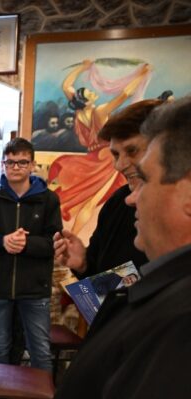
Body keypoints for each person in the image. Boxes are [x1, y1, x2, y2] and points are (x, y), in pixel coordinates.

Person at [18, 95, 191, 399]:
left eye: (135, 155)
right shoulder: (118, 206)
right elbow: (112, 281)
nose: (123, 166)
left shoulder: (177, 324)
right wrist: (84, 264)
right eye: (115, 154)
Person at [0, 137, 62, 372]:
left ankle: (42, 395)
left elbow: (53, 243)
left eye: (22, 162)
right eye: (10, 162)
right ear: (3, 165)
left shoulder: (49, 200)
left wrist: (25, 244)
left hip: (35, 289)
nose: (15, 167)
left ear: (32, 165)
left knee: (40, 349)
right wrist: (2, 242)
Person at [53, 100, 160, 277]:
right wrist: (84, 264)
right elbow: (106, 282)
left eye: (132, 151)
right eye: (116, 154)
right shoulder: (118, 201)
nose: (119, 165)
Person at [48, 59, 152, 239]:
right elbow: (125, 94)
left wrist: (83, 67)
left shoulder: (80, 112)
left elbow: (66, 86)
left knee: (87, 202)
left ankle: (72, 236)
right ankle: (75, 236)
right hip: (105, 159)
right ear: (86, 101)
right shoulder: (99, 111)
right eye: (89, 92)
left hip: (94, 157)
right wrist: (142, 74)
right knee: (92, 202)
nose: (92, 92)